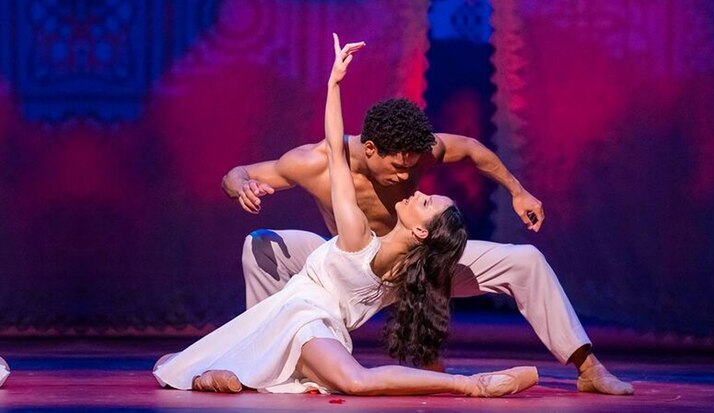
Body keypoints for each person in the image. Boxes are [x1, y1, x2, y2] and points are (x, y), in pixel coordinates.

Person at [223, 39, 633, 397]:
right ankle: (261, 354)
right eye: (397, 168)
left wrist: (517, 190)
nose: (407, 177)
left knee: (526, 259)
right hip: (349, 270)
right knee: (260, 242)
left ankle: (588, 368)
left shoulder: (419, 152)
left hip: (417, 261)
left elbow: (472, 148)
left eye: (412, 167)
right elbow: (239, 173)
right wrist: (240, 184)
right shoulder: (314, 163)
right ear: (369, 149)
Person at [153, 34, 539, 397]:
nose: (416, 189)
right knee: (354, 381)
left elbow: (466, 155)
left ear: (421, 231)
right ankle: (471, 384)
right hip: (300, 314)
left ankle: (216, 374)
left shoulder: (405, 270)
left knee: (331, 377)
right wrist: (334, 84)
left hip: (326, 329)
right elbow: (336, 154)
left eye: (425, 202)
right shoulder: (356, 235)